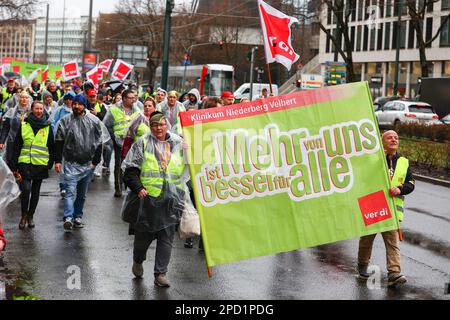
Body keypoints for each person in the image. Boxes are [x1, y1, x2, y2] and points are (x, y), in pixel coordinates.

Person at [122, 111, 187, 287]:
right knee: (143, 239)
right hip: (148, 201)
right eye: (155, 125)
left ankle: (160, 274)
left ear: (167, 125)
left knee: (166, 238)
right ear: (150, 127)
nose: (159, 128)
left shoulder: (179, 143)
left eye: (162, 124)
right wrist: (138, 188)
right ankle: (138, 260)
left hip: (171, 200)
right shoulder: (142, 143)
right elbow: (130, 170)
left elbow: (191, 169)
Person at [357, 130, 415, 288]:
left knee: (393, 243)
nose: (394, 139)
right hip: (373, 207)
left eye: (396, 137)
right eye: (389, 137)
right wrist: (378, 158)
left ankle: (393, 273)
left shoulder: (403, 162)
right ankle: (362, 265)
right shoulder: (373, 159)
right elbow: (363, 177)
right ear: (382, 142)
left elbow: (411, 184)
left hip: (391, 212)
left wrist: (400, 189)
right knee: (366, 240)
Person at [54, 94, 104, 230]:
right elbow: (58, 141)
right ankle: (68, 217)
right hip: (70, 162)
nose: (76, 106)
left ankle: (77, 217)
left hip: (87, 163)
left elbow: (99, 142)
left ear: (84, 105)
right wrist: (57, 160)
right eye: (75, 104)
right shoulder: (65, 121)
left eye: (79, 104)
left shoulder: (94, 121)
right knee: (70, 192)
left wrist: (95, 161)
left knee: (81, 194)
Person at [11, 100, 55, 229]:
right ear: (32, 109)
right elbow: (17, 145)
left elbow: (51, 146)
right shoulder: (24, 124)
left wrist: (51, 162)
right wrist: (14, 165)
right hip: (25, 163)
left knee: (35, 192)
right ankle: (23, 215)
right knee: (26, 189)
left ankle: (31, 216)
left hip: (40, 164)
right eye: (36, 108)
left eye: (41, 109)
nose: (39, 111)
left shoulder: (47, 126)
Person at [103, 89, 141, 197]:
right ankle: (118, 188)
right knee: (119, 165)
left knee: (131, 165)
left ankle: (129, 187)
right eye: (131, 98)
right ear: (124, 98)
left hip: (133, 142)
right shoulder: (113, 109)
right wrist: (115, 137)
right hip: (119, 143)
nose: (134, 100)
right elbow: (106, 125)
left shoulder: (136, 109)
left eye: (134, 98)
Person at [50, 91, 76, 198]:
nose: (69, 101)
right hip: (62, 141)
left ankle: (71, 185)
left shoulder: (78, 110)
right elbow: (52, 122)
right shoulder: (60, 110)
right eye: (67, 99)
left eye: (71, 99)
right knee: (62, 164)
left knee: (73, 165)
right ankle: (63, 186)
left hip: (74, 143)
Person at [0, 91, 32, 168]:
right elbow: (5, 128)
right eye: (22, 97)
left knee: (24, 163)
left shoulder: (32, 112)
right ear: (18, 99)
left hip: (27, 142)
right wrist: (2, 142)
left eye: (26, 97)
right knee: (11, 162)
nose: (24, 99)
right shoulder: (11, 111)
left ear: (29, 99)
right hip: (12, 141)